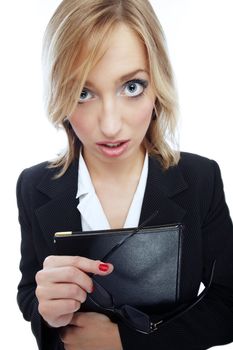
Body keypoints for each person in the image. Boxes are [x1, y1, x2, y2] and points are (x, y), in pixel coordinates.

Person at [16, 0, 233, 349]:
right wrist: (48, 313)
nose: (111, 125)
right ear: (61, 92)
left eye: (131, 87)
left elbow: (227, 302)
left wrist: (126, 341)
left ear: (157, 83)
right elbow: (30, 291)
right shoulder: (34, 185)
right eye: (83, 93)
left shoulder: (200, 179)